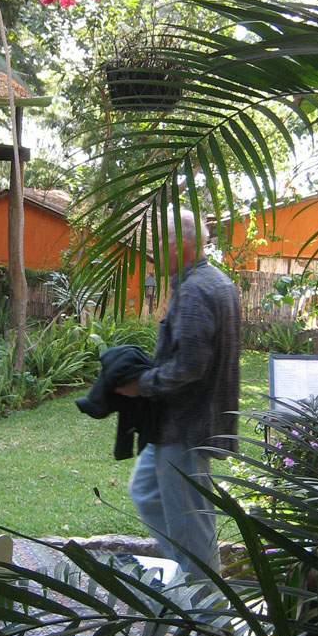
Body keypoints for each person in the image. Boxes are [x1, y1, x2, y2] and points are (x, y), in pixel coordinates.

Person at [116, 207, 240, 582]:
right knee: (146, 492)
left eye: (158, 244)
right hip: (177, 425)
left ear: (180, 245)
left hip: (187, 427)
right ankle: (189, 572)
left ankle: (205, 604)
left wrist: (141, 384)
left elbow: (190, 365)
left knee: (192, 526)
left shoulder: (195, 291)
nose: (153, 254)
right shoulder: (216, 282)